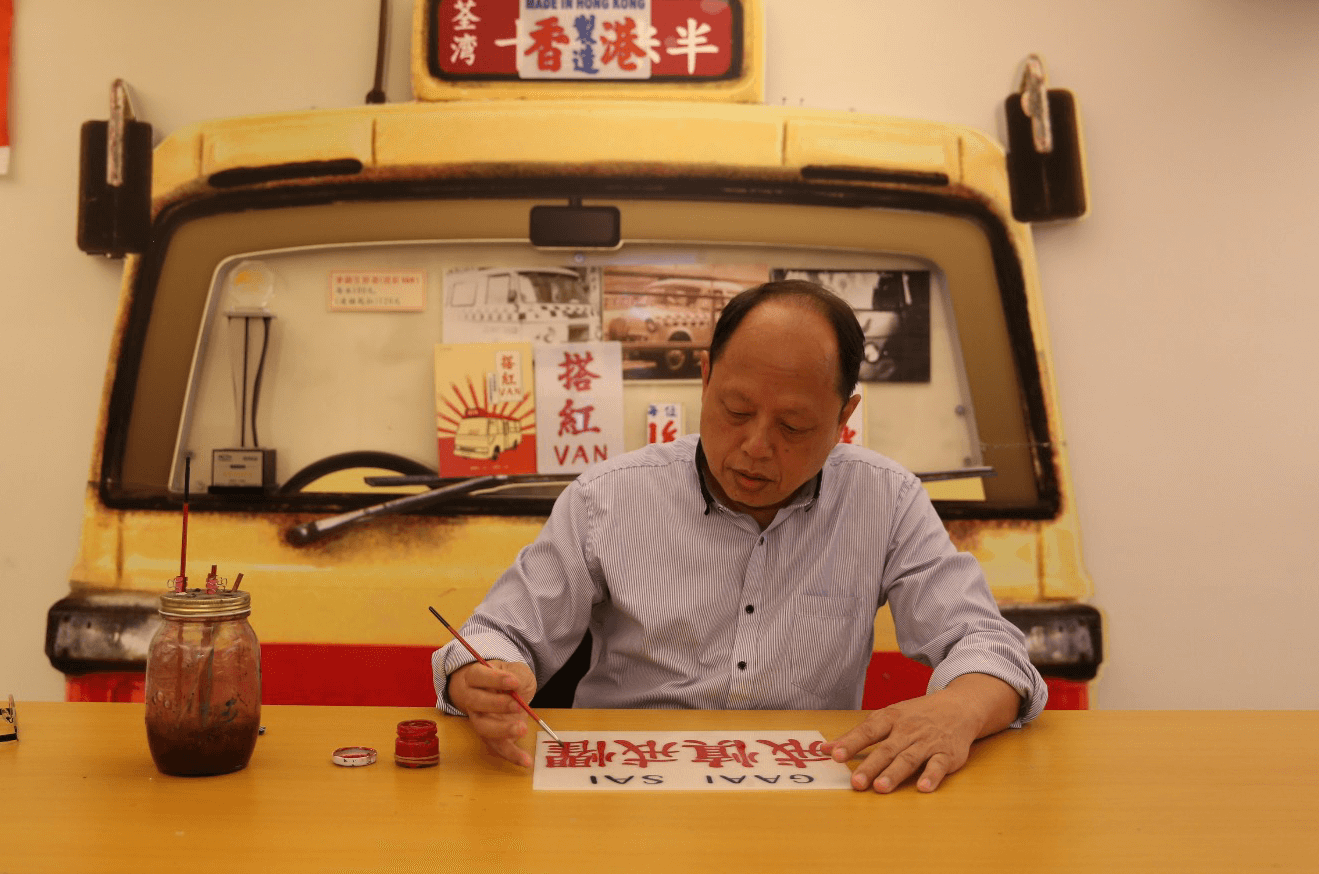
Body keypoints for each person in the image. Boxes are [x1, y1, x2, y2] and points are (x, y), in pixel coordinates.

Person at [432, 279, 1047, 793]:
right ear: (704, 379)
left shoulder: (885, 501)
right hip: (627, 795)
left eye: (794, 425)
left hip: (802, 797)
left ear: (843, 418)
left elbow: (987, 645)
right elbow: (493, 635)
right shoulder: (608, 497)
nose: (756, 447)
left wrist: (959, 709)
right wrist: (484, 677)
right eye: (735, 410)